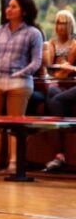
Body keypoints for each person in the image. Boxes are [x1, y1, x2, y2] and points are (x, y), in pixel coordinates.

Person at [0, 0, 43, 175]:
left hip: (19, 83)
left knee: (16, 124)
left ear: (24, 11)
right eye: (8, 6)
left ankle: (14, 162)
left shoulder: (33, 33)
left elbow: (36, 61)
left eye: (13, 7)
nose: (8, 9)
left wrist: (21, 73)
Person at [41, 10, 75, 172]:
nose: (60, 27)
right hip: (57, 82)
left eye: (63, 23)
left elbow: (68, 68)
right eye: (57, 23)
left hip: (69, 83)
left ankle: (59, 153)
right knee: (52, 92)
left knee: (55, 99)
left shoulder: (75, 43)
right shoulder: (52, 43)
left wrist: (65, 68)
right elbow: (50, 68)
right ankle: (59, 154)